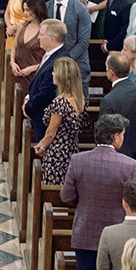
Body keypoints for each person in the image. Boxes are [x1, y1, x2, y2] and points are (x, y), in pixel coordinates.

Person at [60, 114, 136, 270]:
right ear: (115, 136)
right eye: (123, 134)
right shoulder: (129, 165)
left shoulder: (78, 160)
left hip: (85, 232)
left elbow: (66, 196)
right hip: (117, 235)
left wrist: (83, 202)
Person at [34, 57, 87, 186]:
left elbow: (51, 133)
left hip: (57, 155)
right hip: (71, 150)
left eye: (55, 71)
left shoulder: (60, 102)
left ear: (62, 76)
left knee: (52, 189)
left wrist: (42, 146)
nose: (52, 73)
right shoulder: (80, 99)